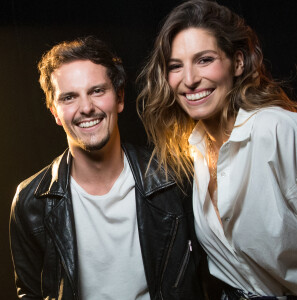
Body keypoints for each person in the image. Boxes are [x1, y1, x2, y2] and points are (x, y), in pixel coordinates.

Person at [9, 36, 204, 300]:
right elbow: (30, 293)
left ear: (119, 98)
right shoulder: (31, 201)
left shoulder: (173, 178)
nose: (86, 108)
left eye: (97, 91)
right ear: (55, 111)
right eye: (69, 97)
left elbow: (205, 275)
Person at [137, 0, 297, 299]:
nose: (189, 80)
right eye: (175, 66)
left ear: (237, 62)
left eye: (204, 60)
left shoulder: (279, 130)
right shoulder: (193, 151)